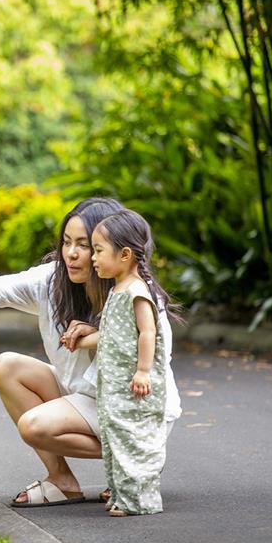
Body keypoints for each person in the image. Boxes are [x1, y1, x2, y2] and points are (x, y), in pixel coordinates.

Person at [0, 197, 181, 507]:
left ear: (115, 250)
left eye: (86, 245)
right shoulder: (53, 280)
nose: (72, 253)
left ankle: (136, 460)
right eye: (67, 242)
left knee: (34, 426)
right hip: (85, 397)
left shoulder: (136, 293)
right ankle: (62, 481)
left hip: (132, 406)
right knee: (7, 366)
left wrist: (94, 335)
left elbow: (149, 355)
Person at [91, 209, 176, 516]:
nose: (93, 258)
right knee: (116, 437)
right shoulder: (117, 289)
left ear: (125, 254)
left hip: (133, 385)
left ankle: (139, 500)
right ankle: (121, 495)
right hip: (116, 385)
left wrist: (143, 371)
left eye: (98, 251)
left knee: (133, 439)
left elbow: (147, 332)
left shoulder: (137, 291)